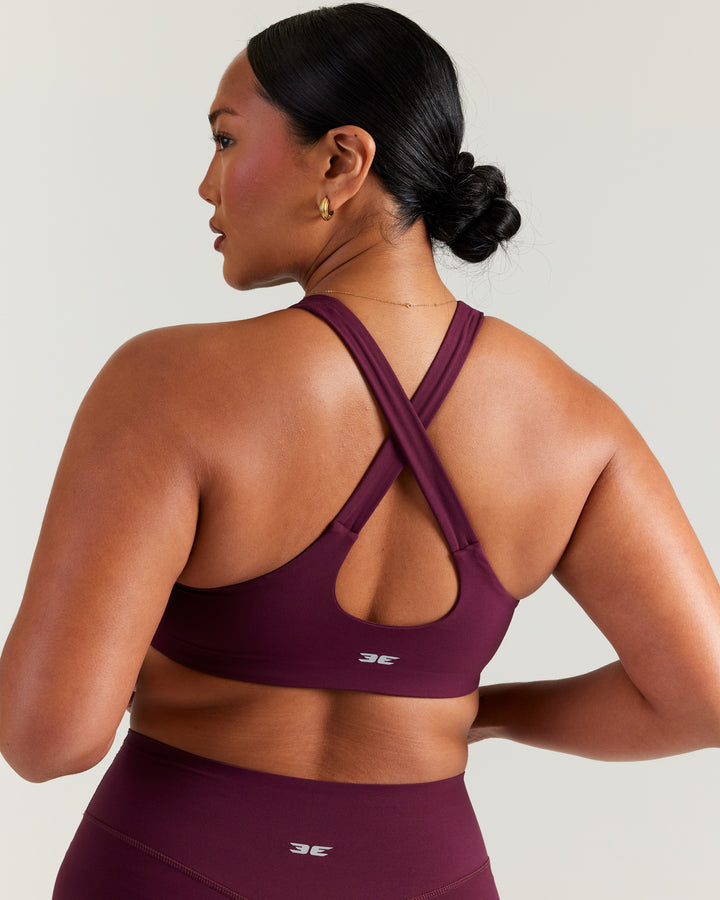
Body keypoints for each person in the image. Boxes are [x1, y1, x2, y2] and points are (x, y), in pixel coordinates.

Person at [1, 3, 719, 898]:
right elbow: (705, 695)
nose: (206, 184)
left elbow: (48, 739)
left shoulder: (166, 385)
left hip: (166, 866)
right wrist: (479, 714)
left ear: (342, 160)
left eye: (226, 140)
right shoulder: (577, 423)